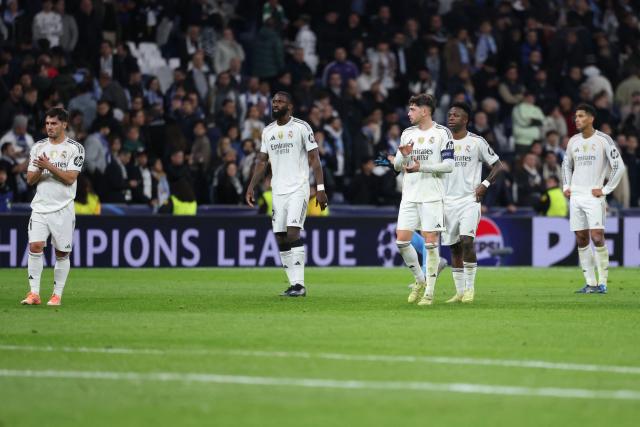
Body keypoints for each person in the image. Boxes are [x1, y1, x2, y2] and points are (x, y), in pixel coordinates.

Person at [245, 92, 328, 297]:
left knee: (292, 233)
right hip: (278, 191)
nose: (275, 104)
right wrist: (251, 186)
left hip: (298, 189)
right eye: (273, 101)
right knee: (281, 238)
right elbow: (262, 161)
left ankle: (300, 285)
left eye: (280, 101)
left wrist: (320, 189)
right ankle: (293, 285)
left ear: (289, 106)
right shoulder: (268, 131)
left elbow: (314, 159)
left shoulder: (301, 127)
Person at [395, 93, 454, 306]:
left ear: (425, 111)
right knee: (402, 241)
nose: (408, 113)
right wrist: (403, 155)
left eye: (412, 109)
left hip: (432, 196)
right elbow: (396, 166)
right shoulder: (406, 133)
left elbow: (449, 166)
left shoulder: (442, 133)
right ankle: (420, 280)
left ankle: (429, 292)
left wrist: (423, 166)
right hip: (410, 195)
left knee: (430, 243)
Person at [442, 102, 504, 303]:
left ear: (465, 120)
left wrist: (485, 184)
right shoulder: (441, 142)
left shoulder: (477, 142)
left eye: (456, 115)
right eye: (450, 114)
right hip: (446, 201)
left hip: (469, 200)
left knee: (467, 241)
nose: (451, 118)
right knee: (454, 248)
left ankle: (470, 289)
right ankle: (459, 292)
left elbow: (498, 166)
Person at [22, 108, 84, 306]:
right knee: (35, 246)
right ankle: (34, 294)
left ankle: (56, 295)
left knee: (62, 253)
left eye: (54, 123)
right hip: (40, 207)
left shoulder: (75, 148)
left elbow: (70, 178)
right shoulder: (38, 147)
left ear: (64, 124)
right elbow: (30, 180)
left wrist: (49, 167)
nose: (49, 127)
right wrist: (40, 168)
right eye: (47, 123)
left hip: (63, 208)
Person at [562, 103, 625, 294]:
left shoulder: (604, 140)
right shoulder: (573, 141)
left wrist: (605, 190)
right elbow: (566, 165)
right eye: (576, 116)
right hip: (576, 196)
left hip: (593, 196)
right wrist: (566, 186)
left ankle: (603, 282)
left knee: (597, 236)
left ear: (591, 118)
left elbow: (619, 166)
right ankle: (590, 282)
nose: (577, 119)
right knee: (581, 238)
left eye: (581, 116)